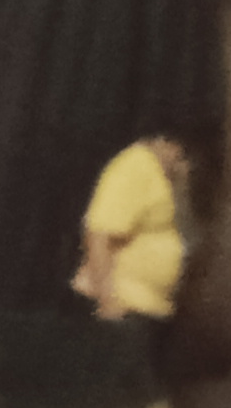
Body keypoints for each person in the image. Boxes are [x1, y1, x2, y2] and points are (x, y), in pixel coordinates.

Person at [73, 132, 195, 373]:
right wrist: (109, 303)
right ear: (160, 140)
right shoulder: (136, 165)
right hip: (123, 308)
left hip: (149, 310)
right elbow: (99, 236)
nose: (183, 162)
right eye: (179, 154)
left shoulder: (166, 179)